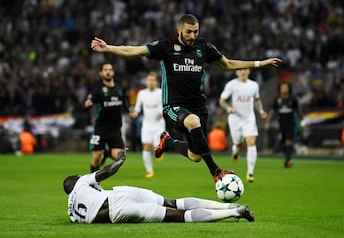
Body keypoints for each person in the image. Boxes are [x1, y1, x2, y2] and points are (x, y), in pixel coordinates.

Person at [90, 14, 282, 181]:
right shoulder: (166, 46)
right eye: (189, 32)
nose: (192, 36)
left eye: (196, 31)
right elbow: (135, 50)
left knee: (195, 155)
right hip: (173, 106)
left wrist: (261, 63)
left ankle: (169, 142)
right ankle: (216, 171)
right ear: (179, 30)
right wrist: (108, 48)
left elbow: (228, 63)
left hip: (198, 106)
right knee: (193, 122)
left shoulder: (203, 47)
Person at [63, 149, 255, 223]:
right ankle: (229, 206)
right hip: (118, 195)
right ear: (76, 180)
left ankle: (234, 212)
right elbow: (106, 172)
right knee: (174, 203)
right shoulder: (81, 182)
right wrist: (120, 160)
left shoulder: (71, 212)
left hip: (117, 212)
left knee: (179, 217)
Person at [219, 69, 267, 182]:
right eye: (240, 70)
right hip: (235, 118)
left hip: (249, 118)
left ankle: (250, 173)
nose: (243, 72)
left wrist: (261, 110)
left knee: (251, 142)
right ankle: (235, 151)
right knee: (238, 143)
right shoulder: (231, 84)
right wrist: (228, 108)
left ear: (249, 71)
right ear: (237, 72)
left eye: (245, 70)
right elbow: (222, 101)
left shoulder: (254, 85)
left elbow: (257, 99)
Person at [85, 63, 126, 172]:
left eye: (110, 69)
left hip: (115, 129)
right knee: (97, 156)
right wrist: (88, 102)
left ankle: (107, 153)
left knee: (121, 157)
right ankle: (95, 183)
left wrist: (131, 111)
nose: (108, 71)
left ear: (113, 72)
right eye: (105, 70)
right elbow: (91, 98)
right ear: (101, 73)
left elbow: (124, 103)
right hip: (101, 128)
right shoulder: (98, 89)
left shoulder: (119, 88)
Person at [129, 71, 165, 178]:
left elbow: (166, 105)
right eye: (149, 80)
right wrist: (135, 113)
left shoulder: (161, 92)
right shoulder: (142, 93)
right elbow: (137, 108)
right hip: (147, 124)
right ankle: (150, 171)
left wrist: (163, 112)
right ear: (146, 82)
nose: (151, 82)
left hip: (159, 123)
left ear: (156, 82)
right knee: (146, 147)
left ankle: (160, 151)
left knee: (156, 148)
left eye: (153, 80)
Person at [264, 82, 302, 168]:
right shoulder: (277, 99)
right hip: (281, 124)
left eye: (286, 87)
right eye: (282, 87)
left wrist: (302, 122)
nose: (284, 89)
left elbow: (298, 111)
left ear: (289, 89)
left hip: (291, 123)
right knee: (284, 142)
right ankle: (287, 157)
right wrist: (267, 122)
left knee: (289, 141)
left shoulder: (293, 99)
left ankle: (288, 160)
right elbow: (272, 112)